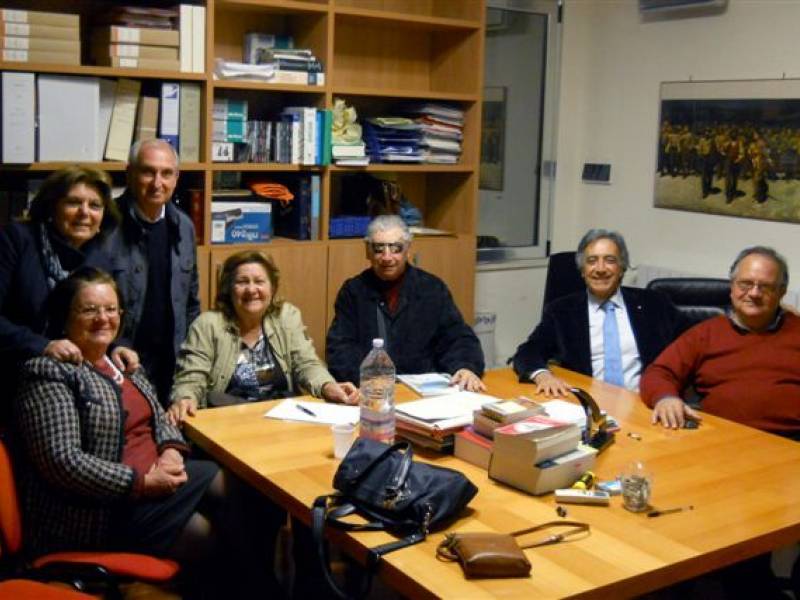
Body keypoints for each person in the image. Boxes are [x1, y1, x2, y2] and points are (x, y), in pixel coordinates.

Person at [13, 267, 276, 597]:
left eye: (111, 309)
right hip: (102, 510)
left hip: (154, 481)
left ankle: (263, 585)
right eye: (89, 310)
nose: (103, 318)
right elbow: (64, 462)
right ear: (65, 317)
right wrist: (141, 483)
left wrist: (170, 451)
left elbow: (161, 416)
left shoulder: (119, 363)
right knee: (216, 540)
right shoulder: (49, 373)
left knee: (248, 492)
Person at [0, 167, 137, 421]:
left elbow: (110, 316)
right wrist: (43, 346)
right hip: (15, 379)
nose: (85, 212)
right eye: (74, 202)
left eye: (95, 205)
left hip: (75, 384)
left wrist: (118, 346)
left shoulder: (101, 260)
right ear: (53, 207)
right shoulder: (17, 240)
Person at [168, 250, 358, 424]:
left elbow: (307, 364)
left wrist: (328, 386)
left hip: (282, 421)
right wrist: (186, 398)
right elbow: (191, 377)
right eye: (242, 282)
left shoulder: (286, 316)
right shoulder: (208, 325)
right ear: (228, 289)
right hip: (228, 423)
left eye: (259, 281)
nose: (252, 290)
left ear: (272, 288)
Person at [641, 246, 800, 437]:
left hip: (789, 441)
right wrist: (665, 398)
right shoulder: (705, 333)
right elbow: (659, 372)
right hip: (720, 437)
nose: (754, 293)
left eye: (765, 286)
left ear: (781, 292)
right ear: (732, 287)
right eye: (745, 284)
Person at [512, 229, 683, 397]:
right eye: (592, 261)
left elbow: (693, 343)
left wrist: (668, 395)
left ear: (622, 268)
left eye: (610, 260)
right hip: (589, 404)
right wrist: (543, 376)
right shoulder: (562, 311)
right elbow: (528, 351)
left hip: (643, 404)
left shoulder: (654, 304)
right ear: (582, 270)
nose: (600, 269)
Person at [325, 215, 485, 391]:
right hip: (372, 393)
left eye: (396, 248)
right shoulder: (353, 291)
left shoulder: (432, 288)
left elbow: (458, 338)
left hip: (424, 394)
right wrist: (370, 382)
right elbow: (340, 349)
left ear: (408, 250)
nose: (387, 257)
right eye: (379, 249)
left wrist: (465, 367)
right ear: (367, 251)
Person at [103, 138, 200, 406]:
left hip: (171, 363)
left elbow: (192, 303)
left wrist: (191, 362)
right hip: (120, 363)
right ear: (130, 174)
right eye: (148, 171)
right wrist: (113, 347)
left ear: (177, 177)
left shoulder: (184, 226)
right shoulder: (106, 225)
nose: (158, 183)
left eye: (166, 173)